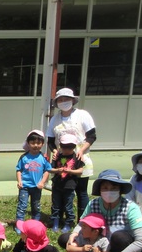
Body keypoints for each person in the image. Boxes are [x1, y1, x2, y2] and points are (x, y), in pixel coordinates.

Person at [60, 169, 142, 252]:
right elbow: (81, 224)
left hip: (119, 243)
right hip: (99, 240)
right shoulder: (93, 204)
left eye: (114, 188)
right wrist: (74, 234)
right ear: (100, 190)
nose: (109, 191)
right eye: (105, 188)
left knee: (119, 237)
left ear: (120, 190)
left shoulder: (131, 207)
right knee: (65, 238)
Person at [46, 87, 97, 218]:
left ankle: (82, 219)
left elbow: (92, 136)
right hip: (62, 161)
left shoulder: (82, 115)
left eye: (66, 99)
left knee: (81, 191)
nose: (64, 102)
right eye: (60, 100)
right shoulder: (54, 119)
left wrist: (82, 150)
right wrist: (55, 151)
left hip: (80, 158)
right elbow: (50, 140)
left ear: (73, 100)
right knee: (61, 190)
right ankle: (61, 218)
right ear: (57, 103)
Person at [15, 130, 52, 229]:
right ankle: (19, 225)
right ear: (28, 143)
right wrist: (19, 181)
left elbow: (47, 170)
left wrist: (42, 182)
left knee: (36, 206)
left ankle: (35, 224)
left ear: (42, 144)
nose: (36, 145)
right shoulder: (24, 157)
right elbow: (18, 170)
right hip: (24, 186)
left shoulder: (43, 157)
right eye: (33, 143)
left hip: (37, 187)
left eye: (38, 143)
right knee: (22, 206)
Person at [49, 134, 84, 233]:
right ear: (60, 146)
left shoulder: (77, 157)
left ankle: (68, 223)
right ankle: (55, 222)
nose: (67, 150)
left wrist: (71, 171)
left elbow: (81, 171)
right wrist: (57, 170)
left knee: (68, 206)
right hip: (57, 185)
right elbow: (50, 169)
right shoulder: (57, 156)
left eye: (70, 147)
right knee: (56, 205)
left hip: (69, 185)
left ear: (74, 147)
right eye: (64, 147)